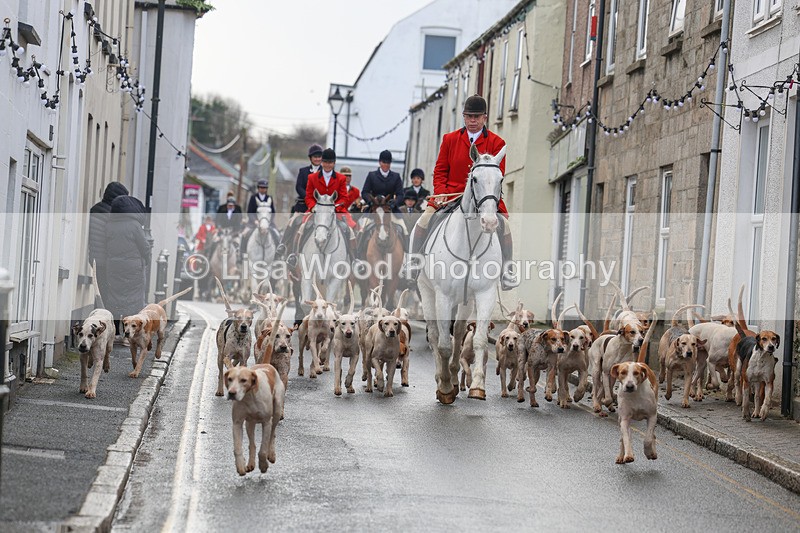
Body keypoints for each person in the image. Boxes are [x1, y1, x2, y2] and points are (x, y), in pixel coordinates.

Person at [407, 94, 518, 290]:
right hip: (450, 195)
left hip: (483, 197)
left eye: (476, 117)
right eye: (468, 116)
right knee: (422, 221)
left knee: (505, 226)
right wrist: (440, 192)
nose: (472, 121)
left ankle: (507, 271)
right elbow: (440, 170)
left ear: (485, 117)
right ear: (464, 117)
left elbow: (497, 175)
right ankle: (414, 263)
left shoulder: (496, 142)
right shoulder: (450, 139)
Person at [105, 194, 150, 343]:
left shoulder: (109, 224)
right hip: (132, 268)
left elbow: (106, 244)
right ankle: (128, 337)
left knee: (114, 298)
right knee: (132, 300)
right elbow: (144, 246)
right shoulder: (134, 225)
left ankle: (116, 333)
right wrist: (146, 260)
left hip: (113, 267)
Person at [88, 181, 129, 306]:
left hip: (95, 259)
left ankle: (98, 320)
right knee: (108, 296)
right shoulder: (112, 215)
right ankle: (104, 322)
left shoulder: (95, 209)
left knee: (100, 293)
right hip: (108, 261)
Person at [246, 179, 280, 246]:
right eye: (261, 187)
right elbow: (250, 212)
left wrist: (269, 221)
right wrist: (255, 221)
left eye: (264, 188)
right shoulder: (253, 197)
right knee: (245, 234)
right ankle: (243, 252)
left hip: (267, 222)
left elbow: (272, 212)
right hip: (254, 223)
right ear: (258, 188)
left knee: (276, 234)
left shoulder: (269, 198)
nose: (263, 189)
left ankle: (277, 252)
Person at [292, 143, 324, 214]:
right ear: (310, 158)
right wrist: (308, 197)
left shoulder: (326, 172)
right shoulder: (303, 171)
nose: (317, 159)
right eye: (315, 157)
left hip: (321, 204)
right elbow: (299, 187)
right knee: (293, 222)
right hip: (304, 204)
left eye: (319, 157)